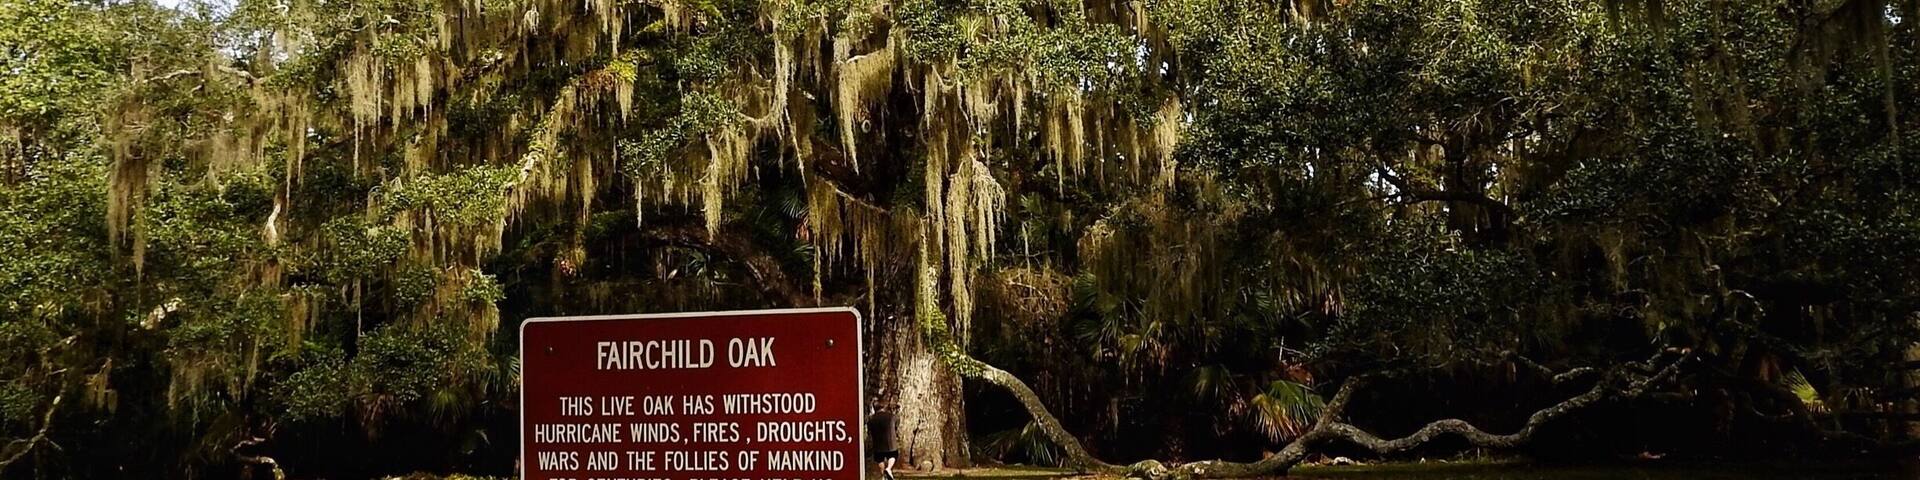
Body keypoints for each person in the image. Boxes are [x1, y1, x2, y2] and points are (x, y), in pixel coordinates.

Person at [867, 409, 898, 480]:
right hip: (890, 442)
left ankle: (883, 475)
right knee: (893, 455)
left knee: (879, 459)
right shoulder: (891, 416)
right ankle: (889, 468)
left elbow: (869, 430)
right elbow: (896, 426)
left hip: (878, 443)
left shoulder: (872, 418)